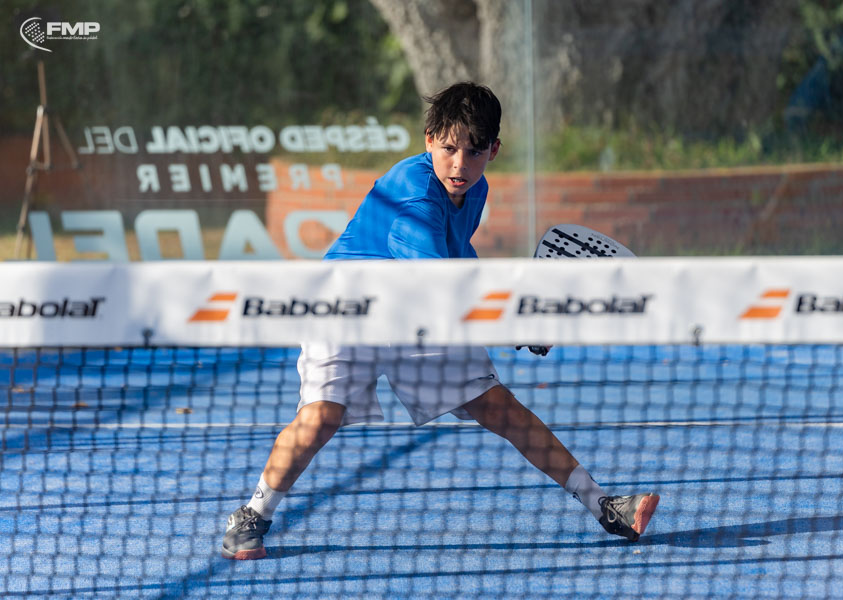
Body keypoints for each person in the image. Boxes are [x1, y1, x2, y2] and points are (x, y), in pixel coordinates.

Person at [221, 82, 659, 560]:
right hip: (348, 306)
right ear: (429, 139)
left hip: (414, 310)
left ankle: (604, 506)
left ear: (494, 150)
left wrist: (518, 314)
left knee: (499, 408)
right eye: (449, 149)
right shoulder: (414, 196)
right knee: (321, 417)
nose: (459, 164)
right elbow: (442, 290)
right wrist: (514, 318)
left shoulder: (475, 189)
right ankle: (252, 515)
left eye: (474, 152)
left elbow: (458, 262)